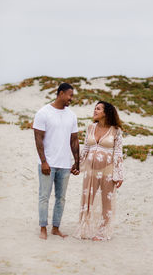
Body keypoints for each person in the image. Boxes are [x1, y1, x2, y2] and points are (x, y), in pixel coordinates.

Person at [33, 83, 80, 240]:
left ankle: (55, 228)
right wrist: (44, 162)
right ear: (60, 94)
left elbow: (74, 140)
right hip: (48, 164)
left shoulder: (72, 115)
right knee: (44, 196)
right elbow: (38, 139)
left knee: (61, 198)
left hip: (65, 164)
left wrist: (77, 162)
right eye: (69, 95)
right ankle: (43, 228)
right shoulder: (43, 113)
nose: (71, 99)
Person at [74, 101, 123, 241]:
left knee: (105, 201)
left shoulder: (116, 131)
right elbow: (85, 149)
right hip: (90, 170)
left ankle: (103, 232)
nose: (95, 111)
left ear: (106, 112)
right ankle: (86, 228)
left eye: (98, 109)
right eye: (94, 108)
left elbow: (118, 153)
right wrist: (77, 165)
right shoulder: (90, 127)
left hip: (108, 171)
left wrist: (119, 174)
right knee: (87, 198)